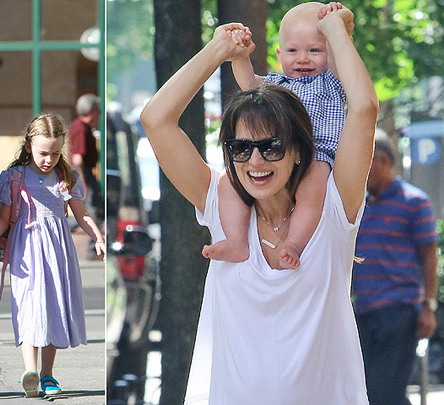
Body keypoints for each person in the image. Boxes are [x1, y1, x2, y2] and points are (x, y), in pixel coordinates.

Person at [140, 4, 378, 404]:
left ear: (298, 150)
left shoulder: (334, 205)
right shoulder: (221, 203)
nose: (254, 161)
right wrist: (218, 51)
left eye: (271, 147)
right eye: (240, 147)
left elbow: (365, 108)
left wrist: (336, 31)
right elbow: (156, 119)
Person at [202, 2, 351, 269]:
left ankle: (293, 243)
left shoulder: (332, 81)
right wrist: (240, 56)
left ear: (331, 53)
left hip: (319, 154)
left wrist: (339, 28)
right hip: (276, 151)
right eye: (293, 51)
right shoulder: (278, 86)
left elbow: (346, 63)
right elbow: (249, 84)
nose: (303, 58)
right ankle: (236, 241)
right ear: (280, 54)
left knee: (311, 191)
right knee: (228, 182)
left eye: (314, 50)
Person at [0, 113, 105, 397]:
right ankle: (30, 371)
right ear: (28, 147)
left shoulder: (67, 177)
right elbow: (3, 218)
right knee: (29, 306)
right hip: (27, 250)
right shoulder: (14, 177)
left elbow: (81, 214)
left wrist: (98, 237)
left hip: (58, 250)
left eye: (55, 153)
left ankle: (48, 374)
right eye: (42, 153)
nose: (48, 159)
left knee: (54, 306)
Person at [353, 130, 439, 405]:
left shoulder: (414, 201)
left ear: (382, 161)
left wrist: (428, 306)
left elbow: (429, 256)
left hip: (399, 310)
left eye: (363, 162)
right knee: (366, 391)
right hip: (363, 310)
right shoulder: (359, 205)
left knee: (384, 393)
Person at [69, 93, 104, 226]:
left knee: (93, 212)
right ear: (90, 112)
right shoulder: (81, 128)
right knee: (92, 213)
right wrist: (83, 184)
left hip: (85, 175)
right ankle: (94, 245)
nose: (99, 114)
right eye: (98, 111)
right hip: (84, 175)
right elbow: (77, 160)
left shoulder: (83, 127)